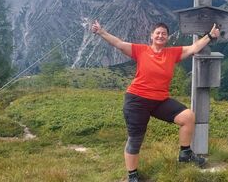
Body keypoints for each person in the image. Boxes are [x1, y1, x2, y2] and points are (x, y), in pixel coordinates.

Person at [91, 20, 219, 182]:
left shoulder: (172, 53)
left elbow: (193, 48)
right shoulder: (141, 50)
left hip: (160, 101)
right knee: (135, 139)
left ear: (167, 38)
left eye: (164, 34)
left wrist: (209, 36)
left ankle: (185, 153)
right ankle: (132, 175)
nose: (160, 35)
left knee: (187, 117)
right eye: (157, 33)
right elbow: (119, 43)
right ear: (151, 36)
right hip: (136, 101)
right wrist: (101, 32)